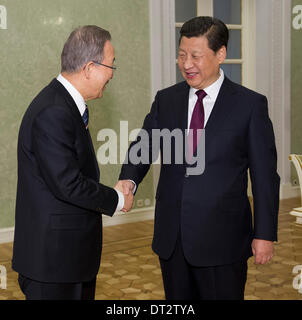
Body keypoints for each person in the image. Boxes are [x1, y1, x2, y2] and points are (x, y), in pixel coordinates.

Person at [116, 17, 280, 300]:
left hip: (223, 241)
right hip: (172, 238)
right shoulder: (166, 99)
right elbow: (144, 145)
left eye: (195, 56)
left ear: (221, 54)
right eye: (181, 55)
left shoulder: (250, 105)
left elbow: (265, 176)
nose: (186, 64)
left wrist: (264, 233)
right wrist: (129, 179)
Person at [12, 25, 133, 300]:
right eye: (111, 65)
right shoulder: (54, 110)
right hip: (53, 264)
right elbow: (68, 183)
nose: (112, 73)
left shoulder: (64, 104)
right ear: (90, 67)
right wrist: (116, 198)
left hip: (68, 259)